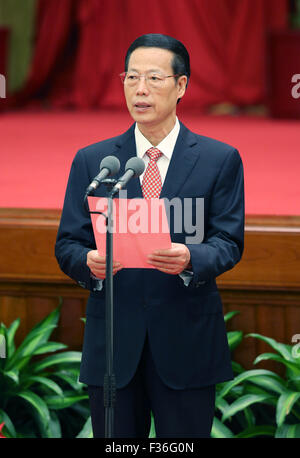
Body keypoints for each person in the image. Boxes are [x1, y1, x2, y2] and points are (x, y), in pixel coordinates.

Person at [55, 33, 244, 438]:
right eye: (131, 77)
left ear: (181, 86)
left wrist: (192, 257)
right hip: (113, 347)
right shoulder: (95, 162)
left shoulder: (219, 160)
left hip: (187, 342)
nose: (140, 89)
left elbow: (228, 242)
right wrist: (88, 263)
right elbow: (68, 243)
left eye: (154, 79)